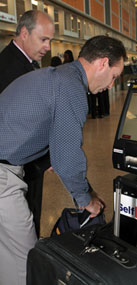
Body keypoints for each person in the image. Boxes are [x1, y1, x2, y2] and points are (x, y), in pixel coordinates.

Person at [0, 35, 126, 285]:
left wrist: (85, 189)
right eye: (114, 76)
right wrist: (84, 198)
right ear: (102, 63)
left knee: (7, 253)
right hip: (3, 175)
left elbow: (58, 149)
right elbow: (67, 156)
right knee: (28, 259)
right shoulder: (71, 88)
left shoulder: (59, 75)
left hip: (8, 165)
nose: (112, 85)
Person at [0, 10, 55, 238]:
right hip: (19, 165)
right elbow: (21, 125)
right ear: (24, 33)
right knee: (25, 225)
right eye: (44, 39)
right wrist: (46, 158)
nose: (48, 47)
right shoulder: (14, 69)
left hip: (23, 162)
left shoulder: (23, 63)